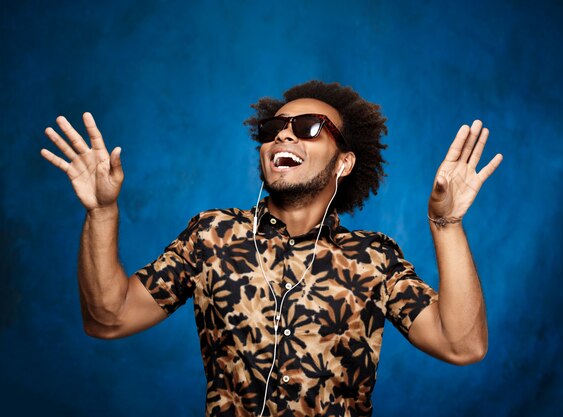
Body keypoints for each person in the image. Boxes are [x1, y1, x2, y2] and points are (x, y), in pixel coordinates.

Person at [40, 80, 503, 417]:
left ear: (344, 163)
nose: (284, 135)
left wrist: (446, 223)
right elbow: (108, 318)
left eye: (307, 127)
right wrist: (101, 213)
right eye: (276, 127)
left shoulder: (373, 259)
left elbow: (462, 345)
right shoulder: (211, 237)